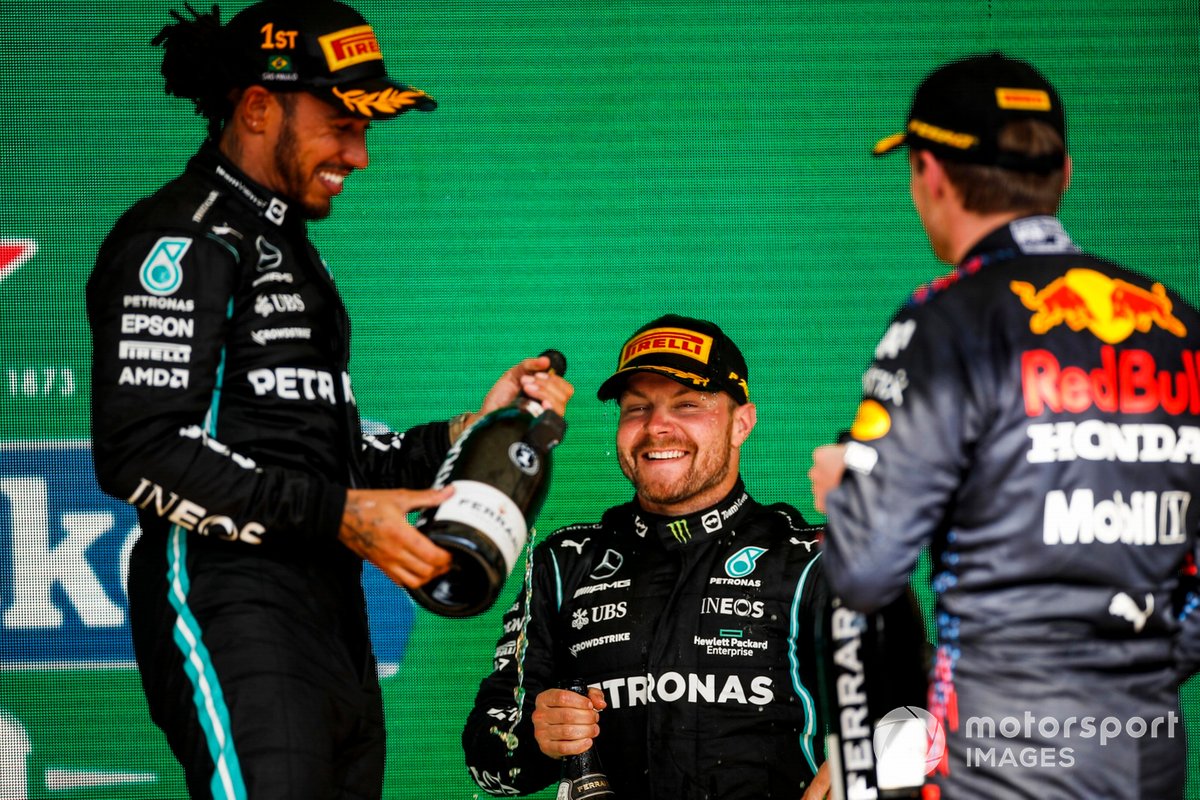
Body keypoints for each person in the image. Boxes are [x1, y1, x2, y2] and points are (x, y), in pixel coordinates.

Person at [86, 3, 573, 798]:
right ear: (256, 107)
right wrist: (341, 517)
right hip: (231, 599)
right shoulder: (183, 239)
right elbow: (141, 449)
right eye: (342, 123)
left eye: (367, 129)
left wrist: (472, 429)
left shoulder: (290, 252)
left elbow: (333, 453)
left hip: (330, 617)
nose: (361, 154)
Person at [809, 52, 1200, 798]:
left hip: (999, 757)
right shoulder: (1183, 326)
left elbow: (865, 572)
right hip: (1146, 753)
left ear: (930, 173)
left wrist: (848, 492)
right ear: (1064, 174)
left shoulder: (946, 319)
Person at [463, 314, 831, 799]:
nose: (657, 426)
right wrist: (537, 738)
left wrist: (867, 763)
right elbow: (488, 764)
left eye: (688, 404)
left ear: (742, 423)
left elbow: (928, 707)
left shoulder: (814, 558)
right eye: (636, 408)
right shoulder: (564, 563)